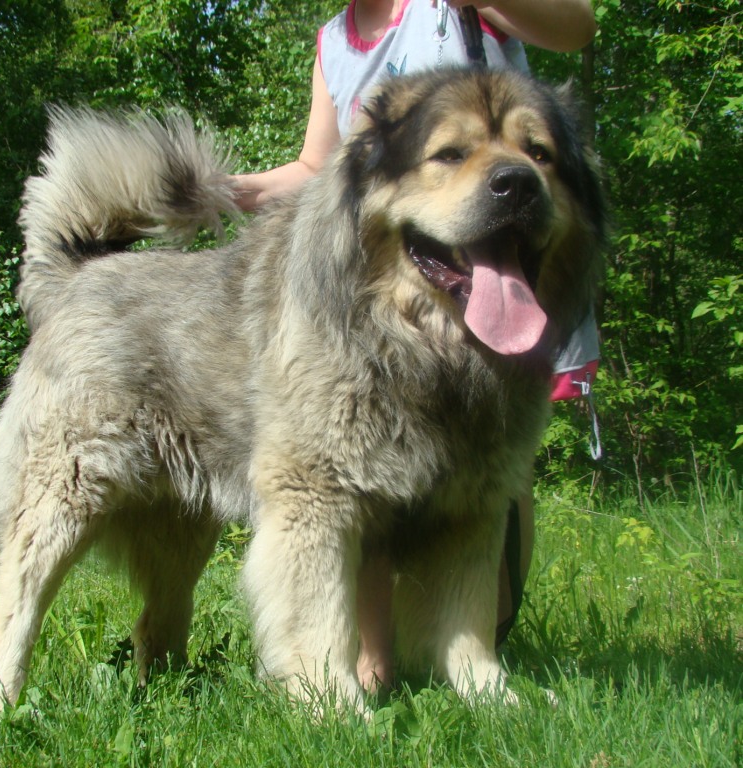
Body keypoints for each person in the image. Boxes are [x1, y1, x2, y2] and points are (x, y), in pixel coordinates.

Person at [231, 0, 599, 693]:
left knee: (487, 499)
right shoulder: (333, 42)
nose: (512, 172)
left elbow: (577, 25)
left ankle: (471, 658)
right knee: (356, 485)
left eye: (537, 155)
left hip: (498, 321)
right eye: (453, 152)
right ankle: (354, 668)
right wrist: (236, 189)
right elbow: (317, 163)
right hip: (380, 317)